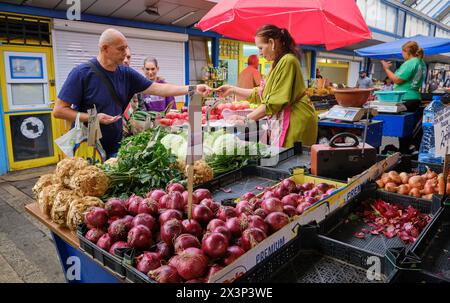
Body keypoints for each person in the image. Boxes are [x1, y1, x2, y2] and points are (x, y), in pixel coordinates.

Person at [53, 28, 210, 158]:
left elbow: (158, 88)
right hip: (88, 147)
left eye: (126, 47)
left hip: (115, 146)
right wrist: (93, 118)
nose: (125, 53)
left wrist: (193, 89)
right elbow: (59, 110)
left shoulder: (126, 73)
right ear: (104, 48)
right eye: (121, 49)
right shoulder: (81, 73)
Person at [215, 24, 318, 148]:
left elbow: (274, 102)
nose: (260, 53)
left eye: (260, 48)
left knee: (291, 162)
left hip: (296, 120)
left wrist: (246, 119)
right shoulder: (278, 64)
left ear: (271, 43)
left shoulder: (288, 61)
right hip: (287, 118)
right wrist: (232, 89)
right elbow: (261, 93)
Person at [381, 40, 427, 153]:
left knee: (403, 128)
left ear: (407, 51)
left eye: (402, 52)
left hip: (406, 98)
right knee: (409, 128)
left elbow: (397, 79)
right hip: (414, 98)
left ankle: (403, 152)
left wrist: (386, 69)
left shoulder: (411, 62)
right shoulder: (421, 63)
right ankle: (406, 150)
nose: (402, 55)